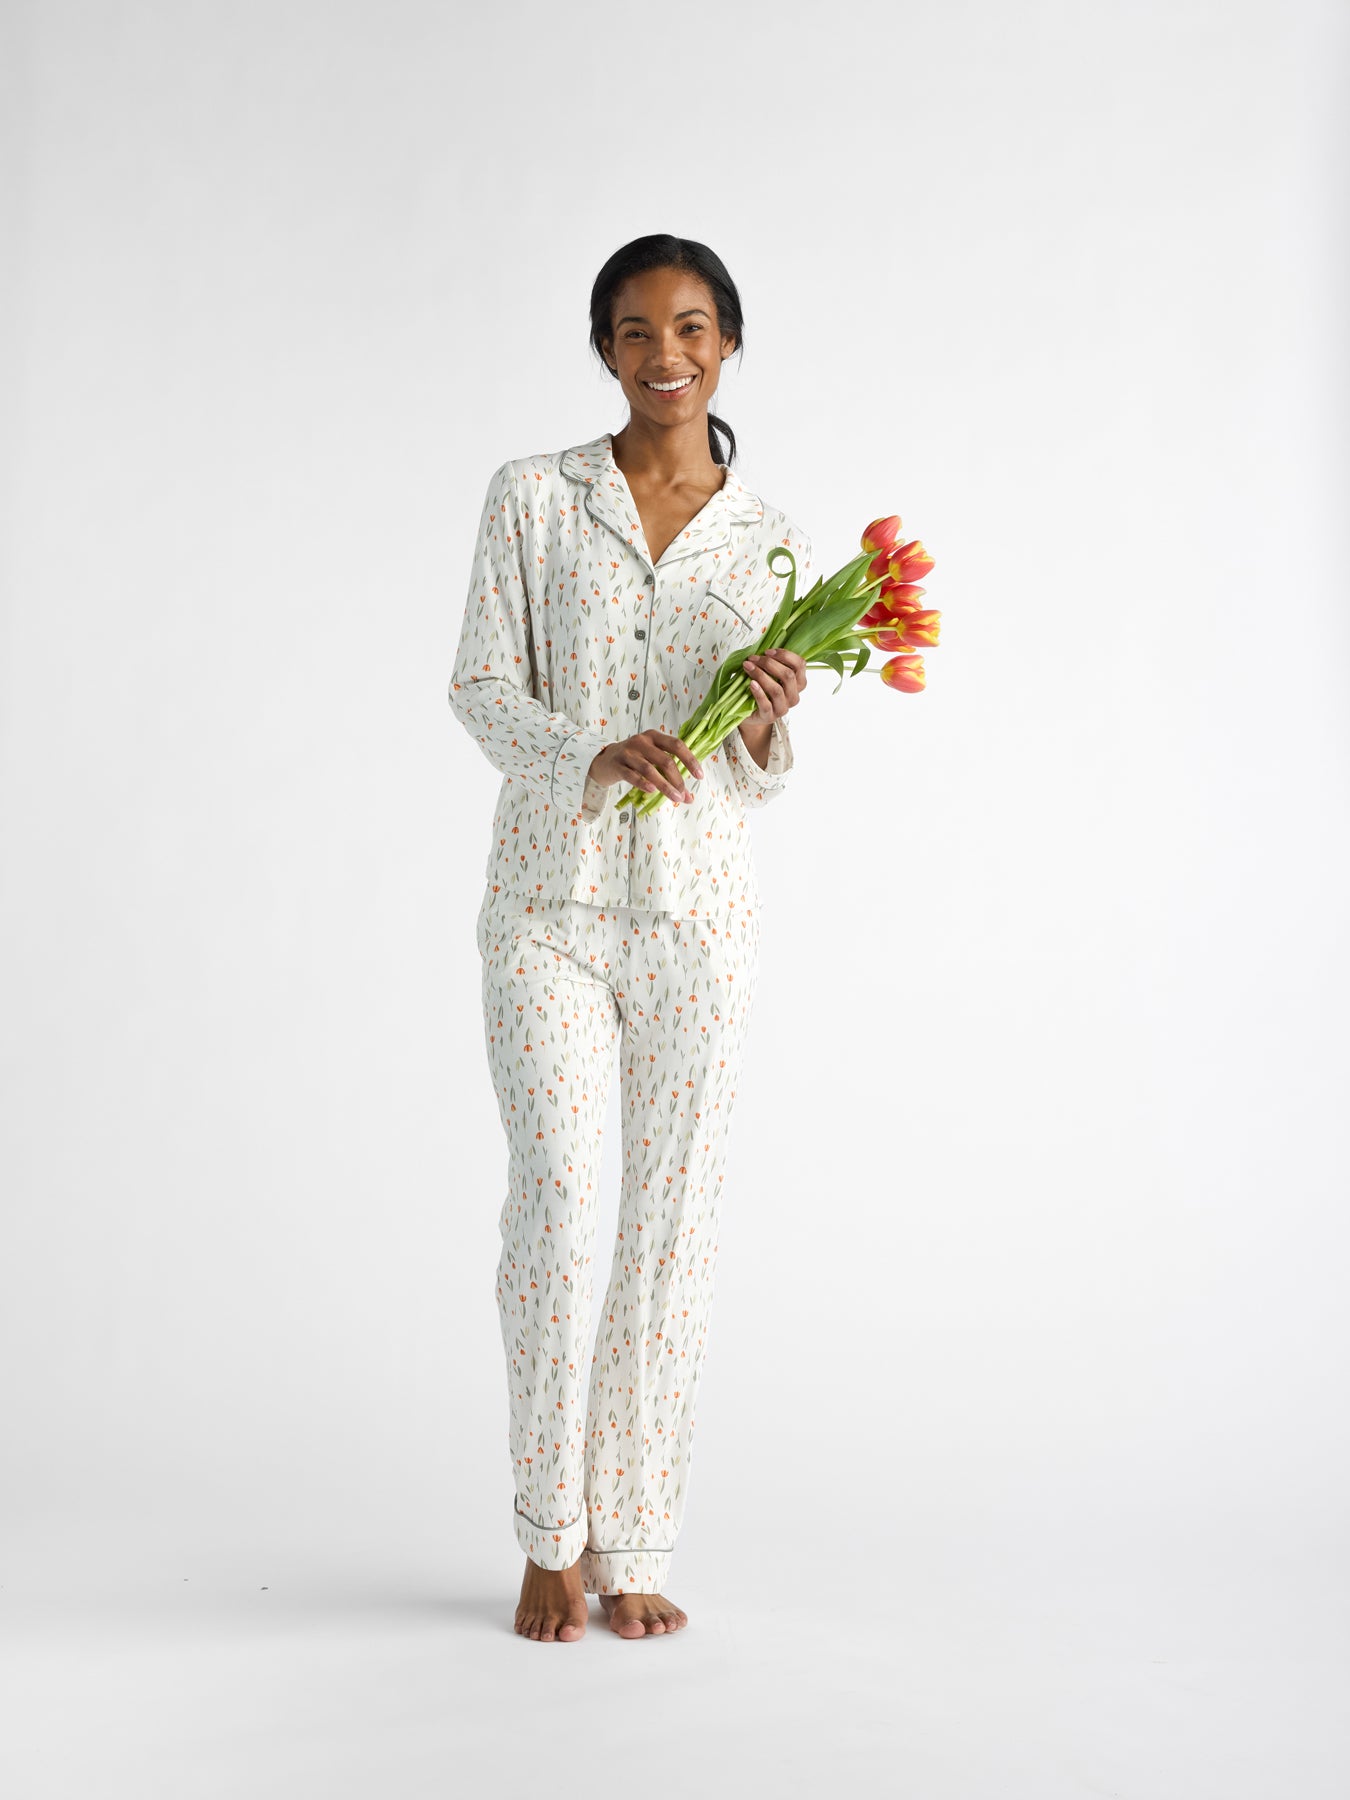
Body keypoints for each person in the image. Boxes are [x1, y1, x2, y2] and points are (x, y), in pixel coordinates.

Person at [448, 235, 813, 1643]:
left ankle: (636, 1539)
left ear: (728, 343)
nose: (666, 356)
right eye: (635, 331)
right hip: (548, 904)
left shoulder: (768, 536)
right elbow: (479, 687)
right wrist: (593, 754)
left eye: (692, 328)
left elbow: (759, 774)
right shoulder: (534, 502)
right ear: (604, 349)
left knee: (669, 1234)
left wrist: (769, 715)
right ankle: (551, 1526)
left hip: (700, 922)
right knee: (558, 1204)